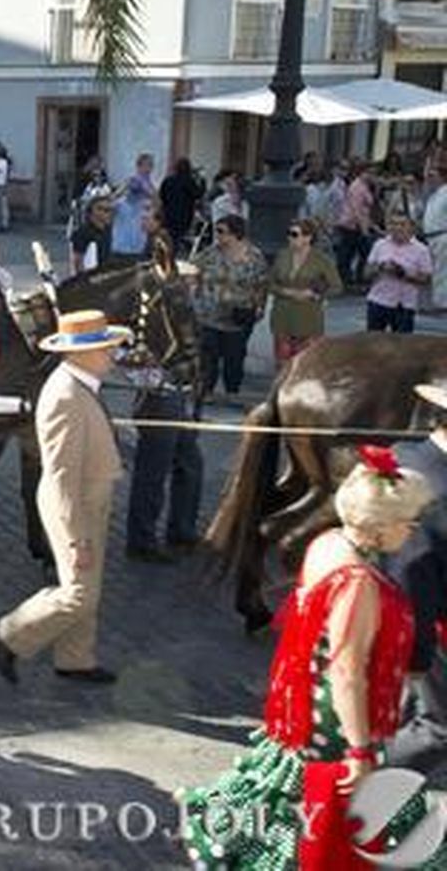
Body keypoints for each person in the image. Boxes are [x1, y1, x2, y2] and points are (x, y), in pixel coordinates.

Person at [176, 448, 434, 867]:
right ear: (382, 528)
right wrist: (359, 750)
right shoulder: (358, 585)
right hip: (334, 726)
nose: (413, 530)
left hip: (304, 711)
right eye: (410, 522)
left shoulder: (327, 543)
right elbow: (348, 672)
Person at [0, 310, 129, 686]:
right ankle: (9, 634)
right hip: (74, 506)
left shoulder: (80, 385)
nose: (113, 356)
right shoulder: (66, 395)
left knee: (89, 587)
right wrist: (76, 537)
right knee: (78, 593)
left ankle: (75, 659)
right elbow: (62, 475)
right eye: (106, 349)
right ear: (81, 354)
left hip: (88, 500)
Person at [387, 383, 447, 775]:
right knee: (437, 730)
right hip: (430, 631)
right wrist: (418, 659)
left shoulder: (414, 456)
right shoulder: (432, 487)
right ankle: (352, 788)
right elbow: (411, 577)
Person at [122, 351, 202, 564]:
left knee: (191, 465)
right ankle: (141, 541)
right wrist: (152, 380)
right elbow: (121, 345)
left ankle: (181, 530)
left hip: (182, 391)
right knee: (152, 473)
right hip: (159, 397)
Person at [192, 215, 268, 405]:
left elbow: (261, 285)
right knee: (207, 356)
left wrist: (260, 307)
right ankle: (206, 390)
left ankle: (232, 391)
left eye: (221, 231)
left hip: (237, 317)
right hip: (208, 316)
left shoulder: (254, 258)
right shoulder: (210, 253)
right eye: (216, 231)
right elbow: (192, 270)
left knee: (234, 357)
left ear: (235, 234)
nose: (217, 236)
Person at [266, 218, 343, 367]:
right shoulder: (283, 255)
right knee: (283, 365)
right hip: (282, 317)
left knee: (306, 367)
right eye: (288, 234)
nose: (290, 238)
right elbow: (270, 283)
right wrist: (285, 291)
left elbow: (336, 287)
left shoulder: (321, 260)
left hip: (308, 319)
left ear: (308, 237)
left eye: (294, 234)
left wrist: (314, 295)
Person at [365, 212, 433, 334]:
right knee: (373, 346)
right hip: (378, 301)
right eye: (393, 224)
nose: (397, 228)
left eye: (402, 224)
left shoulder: (421, 250)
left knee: (403, 349)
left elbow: (426, 279)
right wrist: (381, 267)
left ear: (411, 227)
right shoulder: (380, 245)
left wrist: (402, 274)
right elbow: (366, 273)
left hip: (404, 305)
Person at [335, 161, 381, 291]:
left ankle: (353, 279)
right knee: (355, 253)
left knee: (352, 253)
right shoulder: (357, 187)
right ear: (362, 173)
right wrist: (364, 229)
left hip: (359, 225)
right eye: (370, 173)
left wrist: (372, 225)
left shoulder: (364, 186)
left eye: (374, 173)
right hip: (352, 225)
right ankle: (352, 279)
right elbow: (356, 210)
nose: (373, 176)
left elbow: (366, 210)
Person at [159, 157, 205, 250]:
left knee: (168, 237)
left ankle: (166, 254)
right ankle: (173, 255)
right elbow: (198, 194)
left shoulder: (168, 180)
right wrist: (203, 181)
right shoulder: (188, 181)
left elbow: (162, 195)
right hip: (183, 215)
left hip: (168, 213)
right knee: (178, 238)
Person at [70, 197, 114, 275]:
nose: (102, 213)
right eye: (99, 209)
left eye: (107, 210)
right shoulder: (82, 232)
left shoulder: (110, 232)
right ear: (90, 211)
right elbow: (78, 261)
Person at [424, 166, 447, 311]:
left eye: (433, 175)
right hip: (431, 237)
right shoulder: (434, 194)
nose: (430, 179)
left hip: (443, 236)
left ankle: (442, 304)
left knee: (442, 271)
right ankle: (435, 302)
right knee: (433, 270)